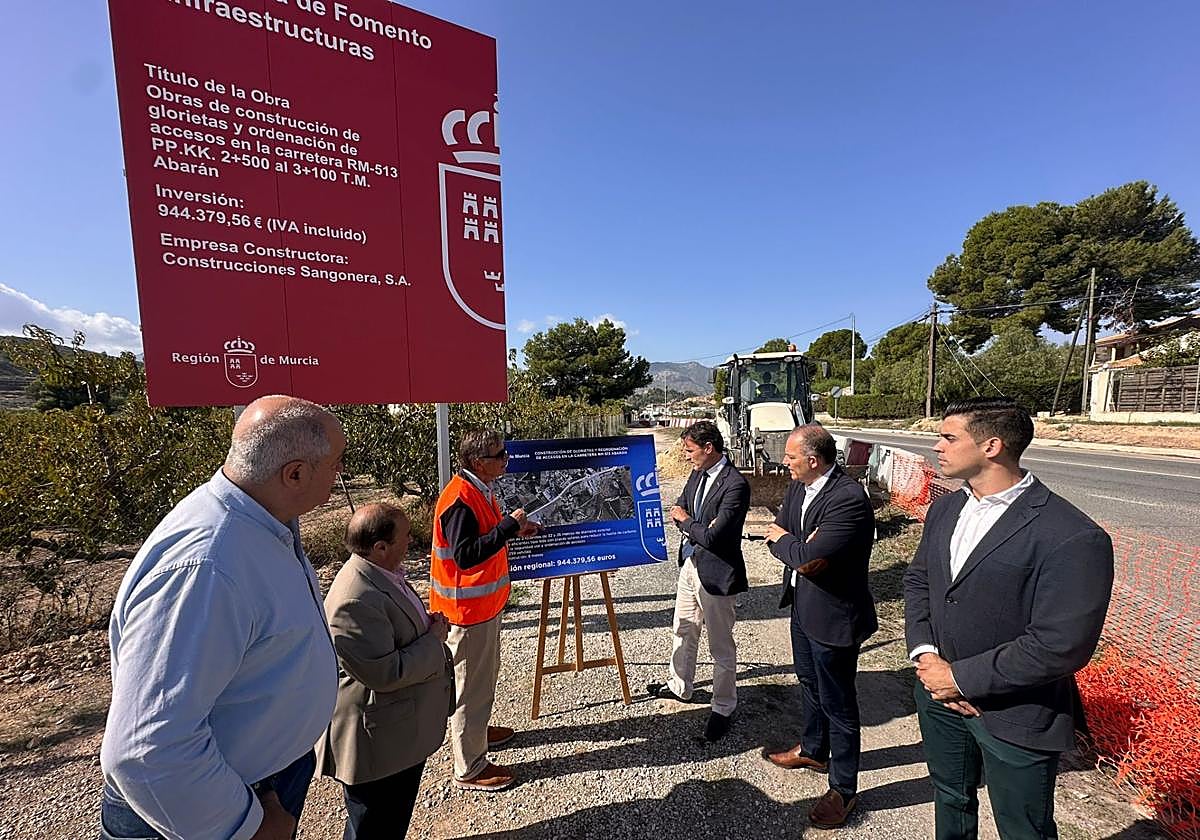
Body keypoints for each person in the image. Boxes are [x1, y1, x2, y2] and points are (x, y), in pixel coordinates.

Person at [99, 396, 345, 840]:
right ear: (294, 473)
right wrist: (244, 827)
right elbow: (145, 749)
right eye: (336, 465)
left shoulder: (262, 522)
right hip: (207, 810)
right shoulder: (207, 565)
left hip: (256, 782)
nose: (340, 477)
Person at [904, 398, 1113, 840]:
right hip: (936, 695)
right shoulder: (946, 508)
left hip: (1017, 712)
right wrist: (925, 656)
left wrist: (960, 678)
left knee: (1023, 827)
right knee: (951, 798)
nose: (936, 446)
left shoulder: (1072, 535)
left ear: (992, 446)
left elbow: (1061, 644)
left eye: (948, 436)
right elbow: (920, 582)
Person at [316, 503, 453, 839]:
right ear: (380, 547)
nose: (411, 541)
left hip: (397, 734)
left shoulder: (379, 572)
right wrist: (433, 640)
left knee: (390, 822)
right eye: (405, 536)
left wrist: (424, 626)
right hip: (377, 742)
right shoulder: (354, 599)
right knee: (374, 827)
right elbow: (386, 673)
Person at [764, 425, 877, 829]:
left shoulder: (848, 499)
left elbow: (808, 559)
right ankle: (813, 747)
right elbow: (783, 531)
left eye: (791, 458)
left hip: (834, 616)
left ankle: (843, 788)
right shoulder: (799, 486)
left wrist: (792, 544)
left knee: (840, 705)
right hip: (802, 605)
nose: (785, 463)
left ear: (813, 460)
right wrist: (794, 543)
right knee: (808, 683)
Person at [431, 429, 538, 792]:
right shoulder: (460, 498)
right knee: (470, 690)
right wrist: (508, 526)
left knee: (481, 682)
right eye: (499, 454)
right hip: (466, 612)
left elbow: (483, 537)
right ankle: (470, 767)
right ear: (478, 462)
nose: (506, 459)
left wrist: (512, 530)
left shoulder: (476, 488)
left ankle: (477, 735)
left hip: (482, 607)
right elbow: (466, 555)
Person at [648, 420, 751, 742]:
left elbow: (714, 536)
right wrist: (694, 525)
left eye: (690, 450)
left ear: (709, 448)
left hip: (718, 574)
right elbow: (683, 508)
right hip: (691, 564)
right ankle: (680, 686)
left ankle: (723, 706)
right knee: (682, 627)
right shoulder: (697, 473)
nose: (686, 456)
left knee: (720, 646)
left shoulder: (735, 485)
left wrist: (687, 523)